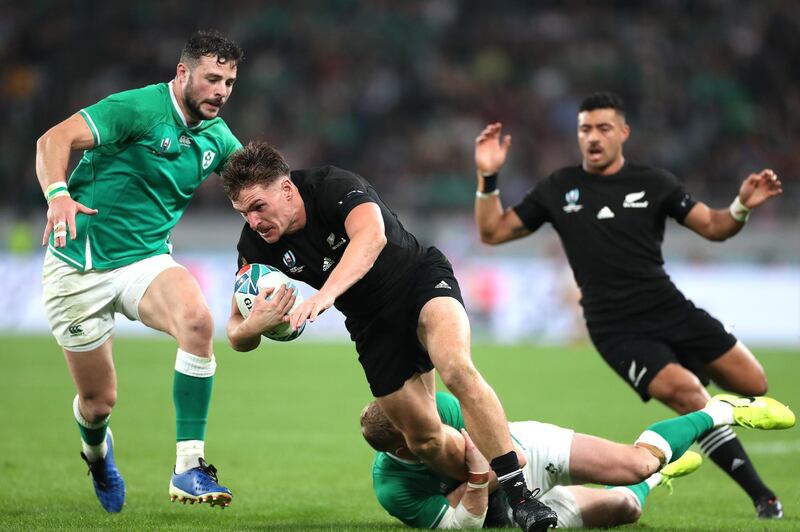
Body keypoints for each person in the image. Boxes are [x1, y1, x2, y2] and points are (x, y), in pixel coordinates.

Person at [471, 92, 786, 518]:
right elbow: (493, 232)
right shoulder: (558, 188)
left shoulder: (654, 183)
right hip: (616, 328)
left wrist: (741, 205)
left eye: (603, 128)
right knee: (691, 396)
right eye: (585, 129)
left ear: (623, 132)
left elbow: (714, 226)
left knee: (754, 384)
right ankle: (763, 497)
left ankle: (708, 413)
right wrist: (488, 178)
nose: (593, 137)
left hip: (670, 306)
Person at [222, 141, 558, 532]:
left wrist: (326, 293)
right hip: (370, 325)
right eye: (243, 212)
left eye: (258, 207)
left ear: (286, 189)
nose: (253, 221)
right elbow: (235, 333)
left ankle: (521, 496)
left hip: (418, 281)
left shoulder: (332, 185)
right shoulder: (255, 246)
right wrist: (255, 325)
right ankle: (486, 484)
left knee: (456, 367)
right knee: (423, 440)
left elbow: (372, 237)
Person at [36, 30, 244, 512]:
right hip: (78, 268)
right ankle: (96, 454)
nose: (221, 91)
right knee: (98, 402)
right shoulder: (138, 109)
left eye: (230, 82)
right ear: (183, 73)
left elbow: (261, 184)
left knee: (197, 321)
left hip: (145, 260)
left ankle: (189, 468)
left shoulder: (217, 136)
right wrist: (58, 195)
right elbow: (55, 138)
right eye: (213, 79)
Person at [361, 391, 794, 529]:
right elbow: (463, 526)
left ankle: (721, 410)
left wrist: (475, 481)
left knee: (636, 464)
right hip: (506, 516)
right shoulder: (392, 488)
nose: (429, 425)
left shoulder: (435, 407)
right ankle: (662, 477)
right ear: (400, 450)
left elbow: (519, 455)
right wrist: (476, 474)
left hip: (525, 453)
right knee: (628, 507)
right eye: (418, 432)